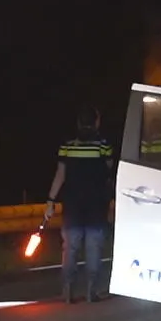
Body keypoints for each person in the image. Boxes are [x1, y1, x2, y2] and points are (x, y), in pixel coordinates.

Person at [44, 106, 115, 304]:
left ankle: (67, 291)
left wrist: (51, 200)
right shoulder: (103, 146)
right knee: (94, 246)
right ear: (97, 122)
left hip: (73, 205)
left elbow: (60, 174)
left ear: (78, 123)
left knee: (71, 248)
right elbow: (109, 174)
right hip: (96, 205)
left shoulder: (67, 146)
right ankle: (91, 291)